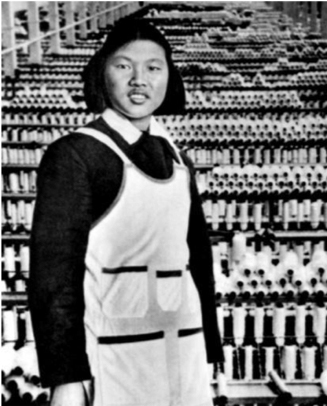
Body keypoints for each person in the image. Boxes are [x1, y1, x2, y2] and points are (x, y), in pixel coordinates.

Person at [28, 19, 223, 406]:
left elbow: (198, 261)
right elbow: (53, 278)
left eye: (153, 67)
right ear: (102, 72)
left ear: (169, 76)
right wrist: (66, 378)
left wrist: (210, 350)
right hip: (114, 360)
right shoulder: (76, 155)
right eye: (123, 66)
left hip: (183, 354)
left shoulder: (178, 159)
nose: (139, 80)